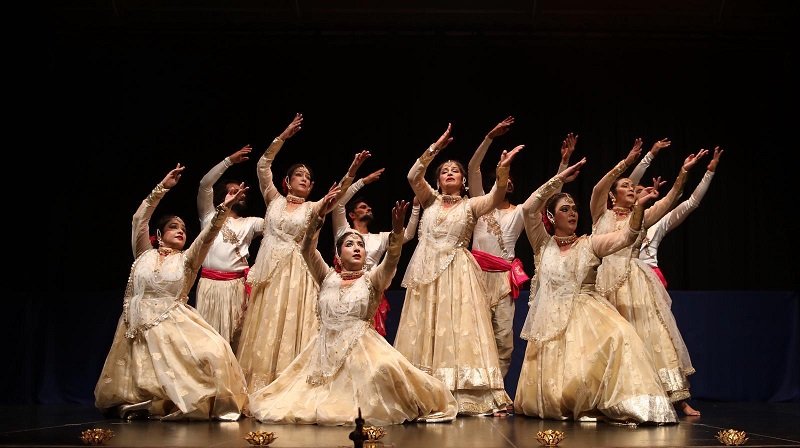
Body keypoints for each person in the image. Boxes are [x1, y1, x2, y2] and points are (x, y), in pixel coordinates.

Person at [248, 191, 458, 426]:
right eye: (349, 244)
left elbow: (391, 260)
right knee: (292, 403)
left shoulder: (373, 280)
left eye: (360, 245)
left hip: (362, 349)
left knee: (385, 371)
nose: (357, 248)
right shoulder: (326, 277)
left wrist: (397, 232)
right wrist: (317, 219)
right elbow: (307, 249)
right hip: (323, 351)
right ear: (339, 254)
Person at [516, 157, 678, 425]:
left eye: (574, 209)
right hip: (550, 319)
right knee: (552, 397)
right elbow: (529, 209)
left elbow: (627, 237)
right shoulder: (542, 245)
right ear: (552, 216)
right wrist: (559, 179)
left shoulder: (590, 244)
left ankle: (629, 403)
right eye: (565, 209)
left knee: (621, 334)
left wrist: (638, 208)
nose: (572, 213)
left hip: (586, 313)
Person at [95, 164, 249, 421]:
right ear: (159, 234)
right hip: (137, 324)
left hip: (173, 323)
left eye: (184, 229)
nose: (180, 230)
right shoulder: (143, 253)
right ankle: (143, 404)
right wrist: (161, 188)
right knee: (138, 386)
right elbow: (139, 219)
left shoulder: (188, 260)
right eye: (173, 227)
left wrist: (223, 210)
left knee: (215, 351)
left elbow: (209, 234)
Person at [394, 123, 521, 416]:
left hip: (457, 273)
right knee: (427, 328)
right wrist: (436, 147)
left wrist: (502, 170)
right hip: (427, 272)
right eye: (444, 171)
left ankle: (461, 392)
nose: (449, 172)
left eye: (455, 170)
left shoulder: (471, 205)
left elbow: (495, 196)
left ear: (464, 180)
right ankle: (423, 391)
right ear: (438, 181)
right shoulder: (430, 200)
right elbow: (413, 175)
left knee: (456, 330)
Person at [237, 113, 366, 391]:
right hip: (269, 274)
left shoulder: (313, 208)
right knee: (266, 323)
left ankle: (291, 383)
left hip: (298, 274)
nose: (305, 179)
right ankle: (260, 384)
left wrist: (352, 171)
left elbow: (337, 195)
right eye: (299, 175)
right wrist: (283, 136)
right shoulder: (273, 199)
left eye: (309, 177)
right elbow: (262, 165)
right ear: (287, 181)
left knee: (296, 323)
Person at [590, 138, 709, 416]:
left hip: (635, 281)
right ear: (612, 194)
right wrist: (629, 161)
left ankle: (677, 398)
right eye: (625, 186)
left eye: (633, 187)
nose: (631, 189)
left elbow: (670, 200)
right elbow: (598, 187)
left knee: (654, 335)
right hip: (604, 284)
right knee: (611, 339)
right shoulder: (600, 214)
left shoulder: (641, 217)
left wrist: (684, 172)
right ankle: (610, 397)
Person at [467, 116, 573, 381]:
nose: (508, 181)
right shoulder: (480, 205)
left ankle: (498, 390)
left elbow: (546, 197)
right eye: (503, 177)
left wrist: (563, 164)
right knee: (475, 337)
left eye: (511, 179)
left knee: (504, 340)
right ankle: (475, 392)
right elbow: (473, 168)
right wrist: (489, 137)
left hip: (503, 281)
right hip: (474, 277)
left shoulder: (519, 213)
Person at [332, 167, 421, 337]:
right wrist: (362, 181)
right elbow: (339, 202)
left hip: (369, 290)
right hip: (342, 288)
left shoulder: (380, 238)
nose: (368, 209)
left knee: (369, 336)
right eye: (363, 207)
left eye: (369, 207)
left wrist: (415, 207)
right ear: (351, 214)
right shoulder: (343, 231)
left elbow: (407, 235)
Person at [195, 145, 265, 349]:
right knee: (210, 344)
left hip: (237, 288)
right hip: (210, 286)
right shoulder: (209, 216)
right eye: (234, 191)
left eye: (242, 192)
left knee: (237, 343)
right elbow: (204, 185)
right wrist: (229, 161)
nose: (240, 194)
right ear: (222, 197)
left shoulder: (251, 223)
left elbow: (278, 223)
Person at [636, 146, 723, 288]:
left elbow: (691, 203)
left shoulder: (657, 223)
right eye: (637, 190)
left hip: (649, 277)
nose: (644, 191)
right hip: (623, 277)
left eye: (642, 189)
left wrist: (709, 173)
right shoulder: (617, 218)